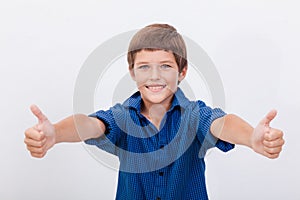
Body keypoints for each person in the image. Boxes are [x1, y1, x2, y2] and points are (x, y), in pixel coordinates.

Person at [24, 23, 285, 200]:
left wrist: (251, 137)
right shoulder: (123, 116)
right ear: (132, 72)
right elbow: (90, 124)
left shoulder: (193, 115)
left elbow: (221, 123)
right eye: (145, 67)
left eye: (166, 66)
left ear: (182, 72)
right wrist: (55, 133)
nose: (155, 76)